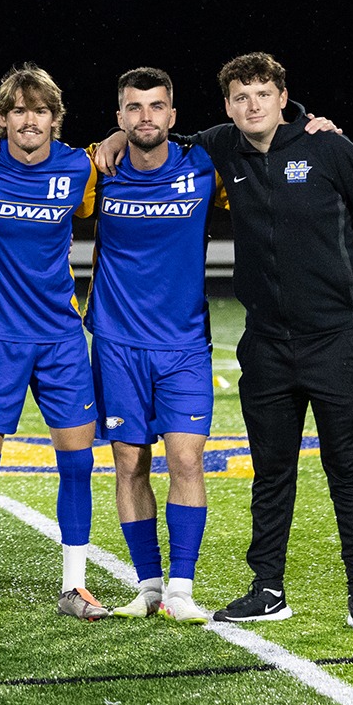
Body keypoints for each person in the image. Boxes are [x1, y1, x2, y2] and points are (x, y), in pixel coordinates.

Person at [190, 53, 353, 629]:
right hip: (265, 344)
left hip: (336, 341)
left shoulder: (327, 148)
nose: (252, 105)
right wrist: (116, 136)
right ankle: (268, 589)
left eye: (263, 93)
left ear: (283, 98)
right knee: (272, 472)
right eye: (240, 96)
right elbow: (160, 136)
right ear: (228, 106)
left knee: (348, 472)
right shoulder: (222, 148)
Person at [0, 64, 108, 622]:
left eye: (40, 110)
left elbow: (116, 163)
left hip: (61, 338)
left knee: (78, 465)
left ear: (56, 120)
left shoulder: (79, 166)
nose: (29, 120)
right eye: (18, 110)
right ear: (1, 119)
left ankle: (74, 586)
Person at [83, 68, 222, 624]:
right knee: (130, 463)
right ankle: (148, 587)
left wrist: (309, 118)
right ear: (119, 117)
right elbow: (34, 157)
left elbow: (262, 131)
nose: (145, 117)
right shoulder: (100, 171)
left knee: (187, 459)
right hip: (117, 342)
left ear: (172, 115)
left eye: (156, 106)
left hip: (185, 343)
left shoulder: (205, 167)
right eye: (134, 108)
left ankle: (182, 589)